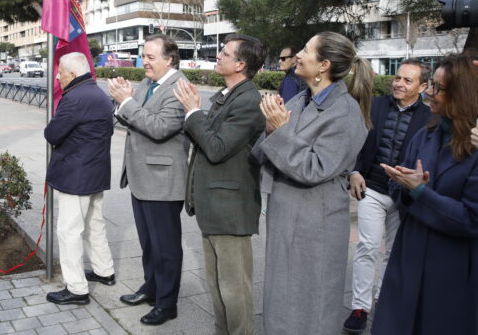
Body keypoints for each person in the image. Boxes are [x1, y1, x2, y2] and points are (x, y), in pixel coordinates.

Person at [252, 32, 373, 335]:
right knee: (281, 301)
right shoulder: (299, 98)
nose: (298, 56)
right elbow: (263, 152)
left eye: (306, 50)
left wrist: (279, 130)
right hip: (286, 214)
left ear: (323, 65)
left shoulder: (345, 112)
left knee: (310, 307)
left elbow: (315, 168)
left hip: (314, 225)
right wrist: (269, 127)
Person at [372, 54, 478, 335]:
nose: (430, 94)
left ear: (460, 94)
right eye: (431, 86)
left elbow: (473, 218)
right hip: (409, 257)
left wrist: (421, 192)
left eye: (438, 88)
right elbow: (397, 188)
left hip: (453, 269)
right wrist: (406, 187)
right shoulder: (425, 135)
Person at [174, 34, 266, 335]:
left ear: (240, 64)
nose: (218, 56)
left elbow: (216, 148)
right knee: (217, 287)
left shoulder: (249, 100)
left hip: (231, 211)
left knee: (234, 289)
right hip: (213, 208)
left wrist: (192, 112)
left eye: (224, 53)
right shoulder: (229, 95)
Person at [106, 34, 189, 326]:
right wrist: (122, 101)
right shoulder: (146, 84)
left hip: (163, 180)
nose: (145, 61)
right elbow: (127, 119)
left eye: (151, 57)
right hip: (141, 177)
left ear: (169, 59)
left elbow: (159, 128)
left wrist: (126, 101)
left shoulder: (181, 88)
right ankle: (151, 288)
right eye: (144, 56)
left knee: (165, 247)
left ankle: (167, 304)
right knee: (149, 243)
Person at [343, 59, 431, 333]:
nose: (399, 84)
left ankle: (383, 299)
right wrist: (355, 171)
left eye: (407, 80)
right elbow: (358, 140)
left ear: (423, 86)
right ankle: (360, 307)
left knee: (394, 252)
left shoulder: (429, 118)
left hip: (404, 196)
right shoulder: (376, 105)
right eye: (397, 78)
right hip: (372, 189)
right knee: (367, 247)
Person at [44, 52, 116, 306]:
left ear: (73, 74)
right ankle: (103, 270)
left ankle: (76, 289)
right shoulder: (98, 94)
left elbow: (53, 134)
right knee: (95, 224)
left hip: (76, 174)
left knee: (69, 231)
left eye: (61, 73)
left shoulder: (74, 98)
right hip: (95, 171)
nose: (58, 77)